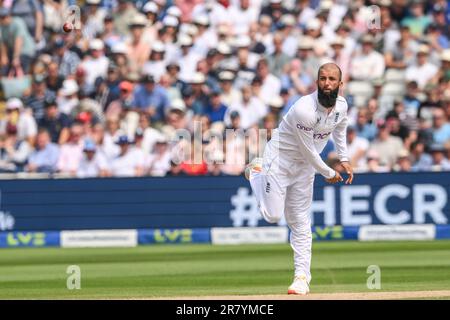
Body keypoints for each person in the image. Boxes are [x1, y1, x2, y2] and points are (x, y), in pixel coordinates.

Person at [245, 63, 353, 295]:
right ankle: (256, 172)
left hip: (304, 168)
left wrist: (343, 157)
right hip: (280, 161)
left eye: (332, 79)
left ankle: (301, 277)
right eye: (322, 78)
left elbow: (340, 127)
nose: (327, 83)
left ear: (340, 84)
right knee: (273, 215)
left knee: (301, 221)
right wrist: (329, 172)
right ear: (316, 81)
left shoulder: (342, 106)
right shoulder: (304, 108)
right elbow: (309, 150)